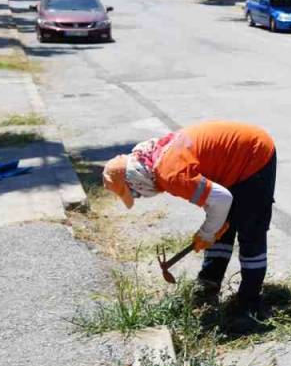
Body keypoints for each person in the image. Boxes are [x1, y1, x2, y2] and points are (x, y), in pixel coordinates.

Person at [102, 121, 277, 317]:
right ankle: (208, 284)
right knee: (221, 224)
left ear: (135, 180)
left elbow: (221, 200)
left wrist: (206, 233)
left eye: (136, 193)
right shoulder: (154, 157)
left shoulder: (170, 175)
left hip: (254, 154)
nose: (141, 196)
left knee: (250, 229)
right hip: (232, 160)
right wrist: (211, 229)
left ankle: (249, 304)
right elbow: (217, 203)